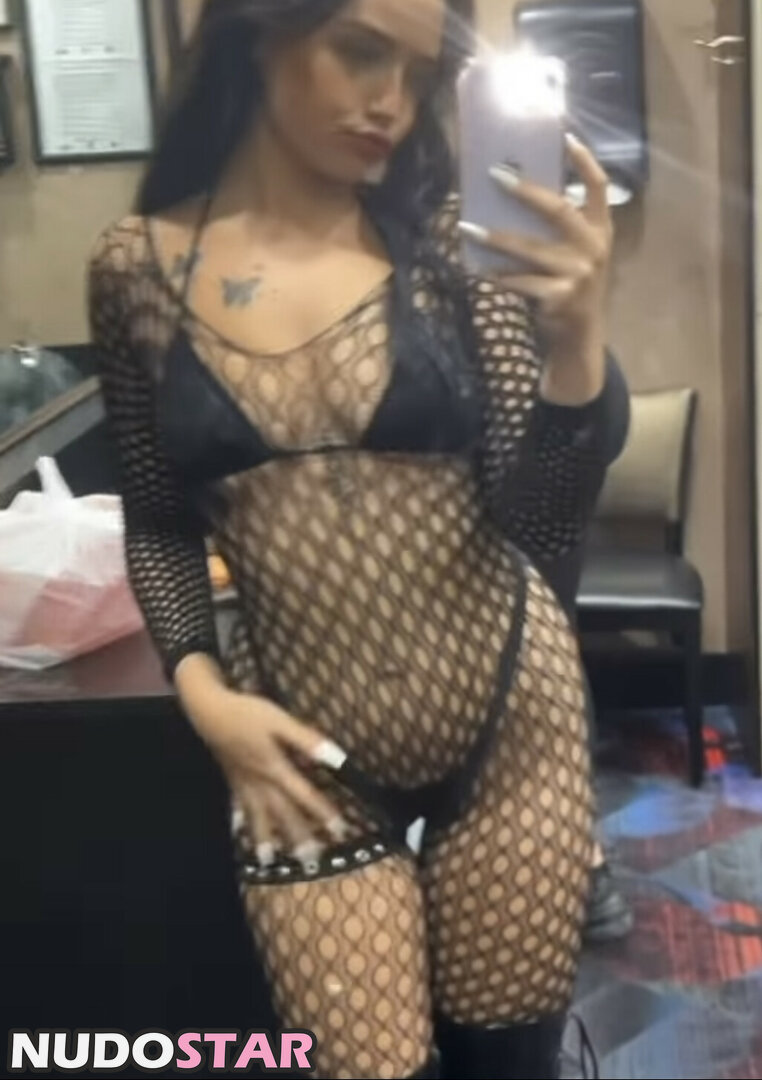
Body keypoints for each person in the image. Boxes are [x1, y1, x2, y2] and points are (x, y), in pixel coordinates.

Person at [88, 1, 616, 1076]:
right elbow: (158, 520)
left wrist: (577, 348)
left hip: (509, 726)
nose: (392, 103)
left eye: (417, 75)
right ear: (258, 31)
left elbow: (536, 524)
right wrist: (206, 699)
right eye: (362, 51)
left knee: (507, 1064)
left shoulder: (453, 250)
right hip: (298, 752)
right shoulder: (138, 268)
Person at [535, 352, 635, 944]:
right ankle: (586, 855)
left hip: (554, 396)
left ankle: (585, 851)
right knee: (550, 629)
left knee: (542, 630)